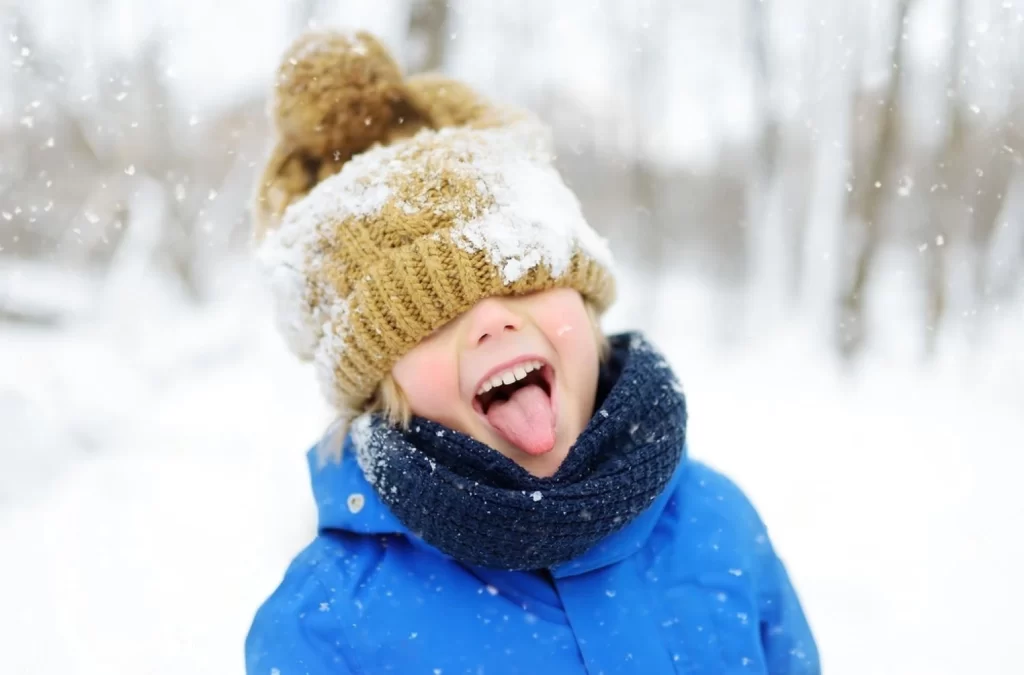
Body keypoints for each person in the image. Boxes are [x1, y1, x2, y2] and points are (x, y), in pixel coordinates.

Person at [246, 30, 819, 675]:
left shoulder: (717, 523)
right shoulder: (328, 623)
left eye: (521, 277)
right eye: (430, 319)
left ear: (587, 302)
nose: (491, 320)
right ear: (378, 385)